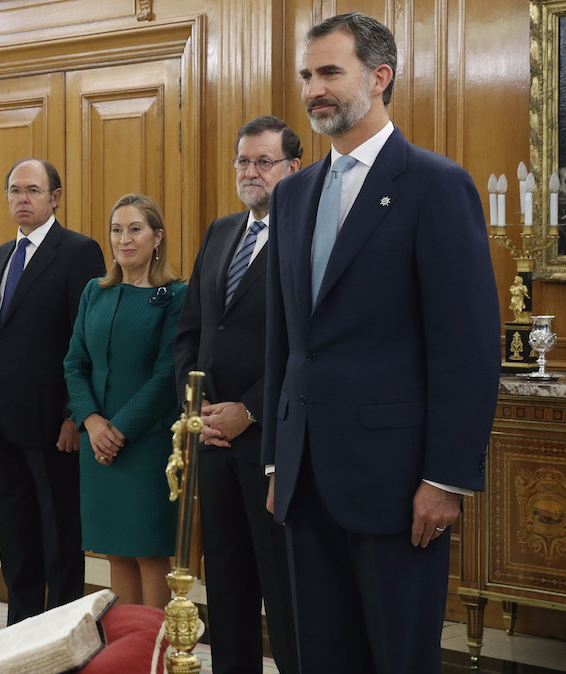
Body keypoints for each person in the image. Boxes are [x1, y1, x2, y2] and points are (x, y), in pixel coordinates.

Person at [261, 13, 500, 672]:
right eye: (308, 75)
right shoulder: (292, 196)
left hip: (398, 486)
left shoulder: (434, 184)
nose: (314, 89)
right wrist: (278, 460)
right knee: (319, 658)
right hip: (305, 479)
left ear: (380, 77)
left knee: (397, 658)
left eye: (330, 72)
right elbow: (284, 339)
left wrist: (446, 478)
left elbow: (468, 346)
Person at [173, 115, 299, 674]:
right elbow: (192, 332)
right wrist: (197, 406)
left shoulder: (308, 235)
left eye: (264, 162)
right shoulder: (222, 232)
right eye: (244, 161)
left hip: (272, 443)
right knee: (225, 582)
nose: (252, 172)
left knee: (283, 588)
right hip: (214, 445)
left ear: (293, 168)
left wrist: (247, 410)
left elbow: (305, 347)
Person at [0, 157, 106, 625]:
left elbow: (85, 339)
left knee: (58, 532)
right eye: (14, 191)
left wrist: (75, 414)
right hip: (0, 421)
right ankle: (21, 624)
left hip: (54, 422)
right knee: (13, 532)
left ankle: (62, 628)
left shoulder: (78, 251)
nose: (21, 199)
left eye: (32, 190)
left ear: (54, 197)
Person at [63, 194, 186, 609]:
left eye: (135, 229)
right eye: (117, 229)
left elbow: (168, 374)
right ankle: (129, 655)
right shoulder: (94, 292)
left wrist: (119, 429)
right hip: (97, 444)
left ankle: (157, 656)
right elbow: (74, 363)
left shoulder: (176, 296)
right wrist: (93, 424)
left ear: (157, 238)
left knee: (149, 553)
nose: (124, 239)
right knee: (116, 551)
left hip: (146, 444)